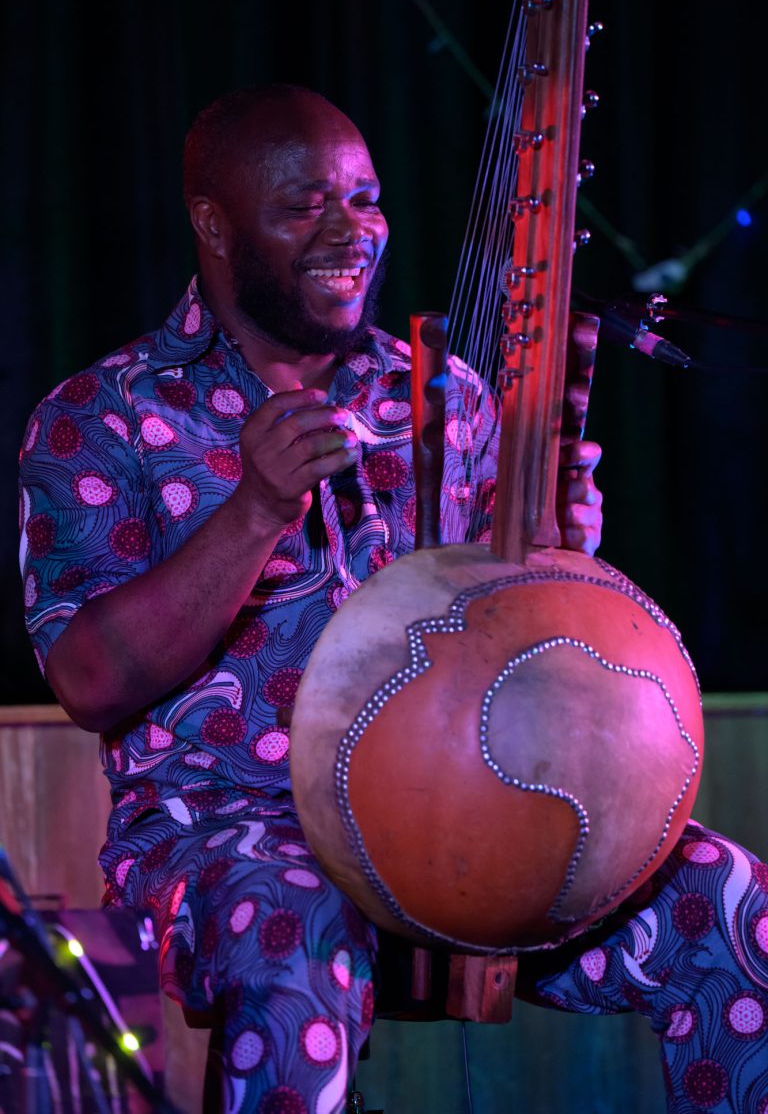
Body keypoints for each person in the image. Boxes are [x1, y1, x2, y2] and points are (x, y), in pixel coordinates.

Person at [18, 84, 768, 1114]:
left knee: (728, 903)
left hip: (464, 824)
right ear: (213, 224)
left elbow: (500, 643)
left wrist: (555, 560)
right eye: (303, 207)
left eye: (365, 199)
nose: (350, 231)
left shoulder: (445, 396)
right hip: (225, 835)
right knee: (295, 933)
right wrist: (254, 512)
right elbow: (88, 681)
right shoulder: (102, 416)